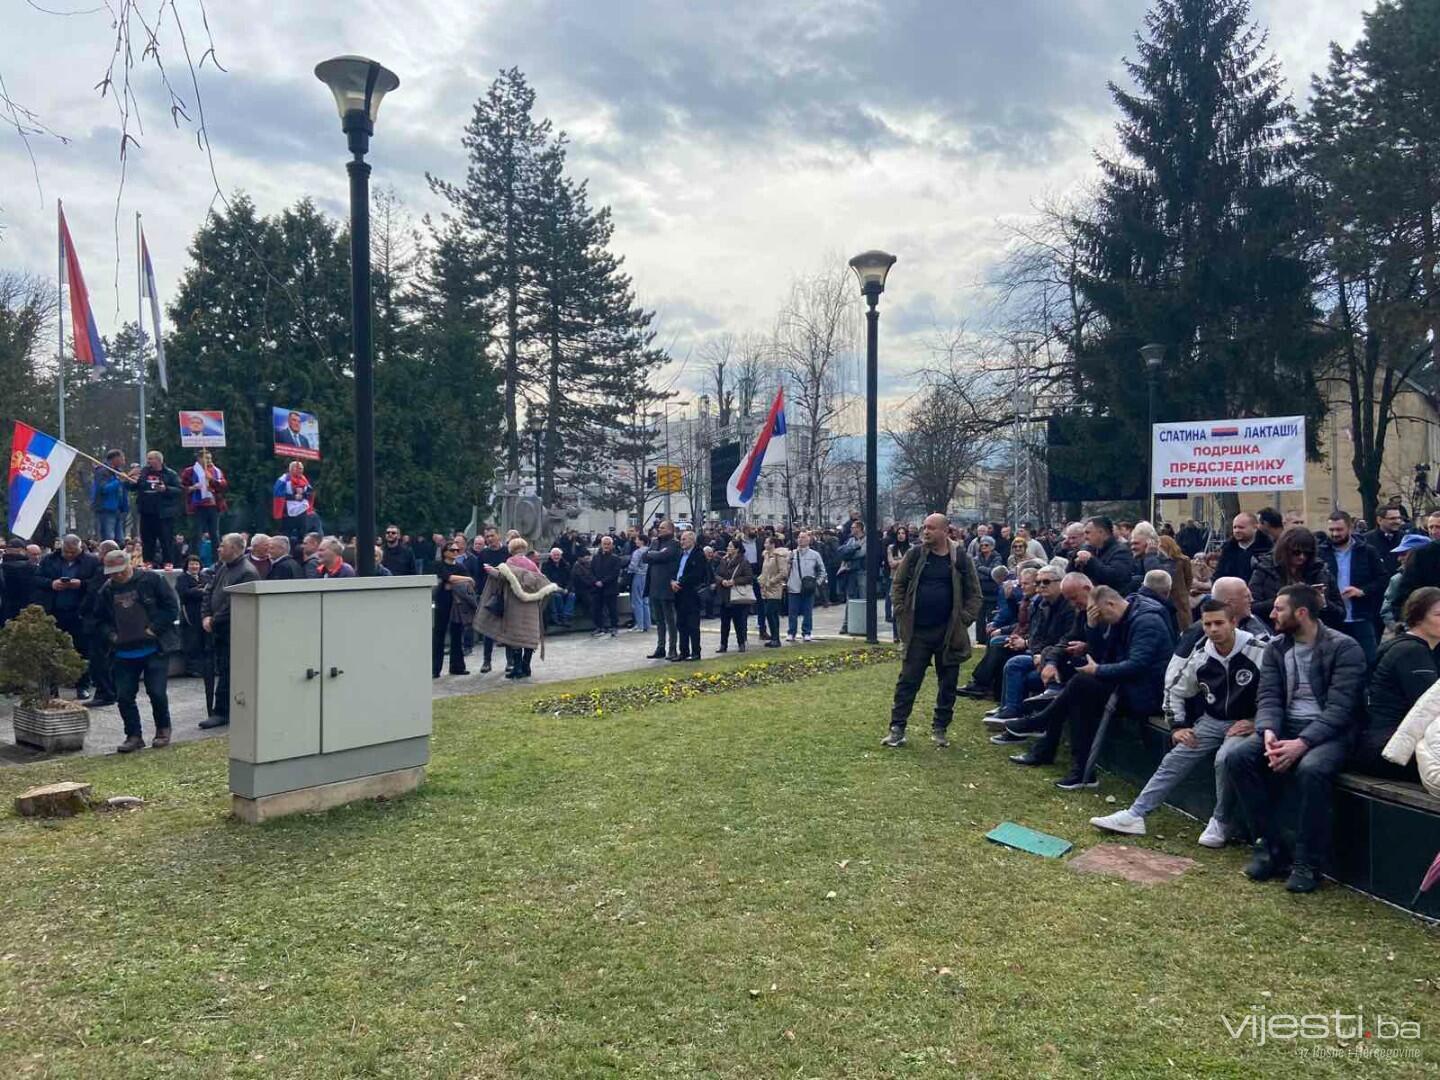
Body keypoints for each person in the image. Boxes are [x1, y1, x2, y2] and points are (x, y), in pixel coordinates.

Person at [1221, 584, 1367, 893]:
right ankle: (1269, 847)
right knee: (1238, 758)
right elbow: (1269, 696)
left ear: (1301, 613)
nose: (1271, 613)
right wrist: (1268, 731)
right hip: (1285, 727)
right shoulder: (1276, 647)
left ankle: (1308, 862)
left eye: (1279, 609)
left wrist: (1302, 744)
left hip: (1332, 733)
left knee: (1311, 769)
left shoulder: (1344, 648)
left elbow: (1341, 710)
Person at [1089, 599, 1268, 840]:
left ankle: (1221, 821)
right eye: (1207, 624)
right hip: (1212, 720)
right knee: (1176, 757)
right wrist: (1178, 726)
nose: (1213, 629)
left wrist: (1258, 720)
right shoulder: (1201, 653)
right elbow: (1175, 689)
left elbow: (1280, 691)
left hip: (1247, 722)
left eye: (1219, 623)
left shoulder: (1259, 650)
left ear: (1233, 622)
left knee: (1224, 759)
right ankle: (1135, 814)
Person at [1008, 585, 1177, 789]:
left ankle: (1042, 722)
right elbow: (1103, 654)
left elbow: (1137, 665)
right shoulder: (1124, 616)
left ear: (1110, 604)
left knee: (1081, 684)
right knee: (1080, 696)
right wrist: (1091, 626)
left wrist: (1097, 671)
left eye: (1098, 614)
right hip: (1126, 685)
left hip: (1146, 692)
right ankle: (1081, 771)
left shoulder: (1146, 621)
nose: (1100, 619)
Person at [883, 513, 982, 748]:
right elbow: (898, 584)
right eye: (924, 527)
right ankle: (897, 728)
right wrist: (900, 609)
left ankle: (940, 728)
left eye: (931, 528)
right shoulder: (915, 554)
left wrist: (964, 619)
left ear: (945, 531)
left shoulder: (960, 559)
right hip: (918, 632)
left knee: (948, 683)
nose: (925, 531)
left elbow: (974, 594)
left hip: (949, 633)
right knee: (908, 680)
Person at [92, 549, 181, 753]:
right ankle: (133, 735)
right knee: (124, 696)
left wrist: (154, 628)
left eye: (120, 571)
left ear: (129, 565)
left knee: (157, 692)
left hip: (154, 648)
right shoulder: (106, 591)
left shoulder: (151, 580)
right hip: (123, 652)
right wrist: (111, 635)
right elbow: (98, 620)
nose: (117, 576)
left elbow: (171, 607)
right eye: (112, 573)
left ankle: (162, 729)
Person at [1351, 587, 1440, 783]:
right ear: (1418, 618)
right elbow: (1431, 710)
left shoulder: (1403, 645)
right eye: (1438, 614)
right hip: (1389, 750)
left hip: (1375, 745)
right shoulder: (1411, 652)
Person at [475, 538, 560, 680]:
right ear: (524, 548)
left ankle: (518, 668)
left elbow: (503, 577)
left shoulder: (510, 562)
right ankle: (527, 667)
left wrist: (491, 570)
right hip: (531, 605)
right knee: (528, 637)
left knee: (515, 637)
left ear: (511, 548)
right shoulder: (532, 564)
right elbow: (541, 581)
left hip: (515, 605)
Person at [200, 533, 260, 729]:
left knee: (228, 671)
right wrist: (206, 615)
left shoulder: (247, 572)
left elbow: (234, 603)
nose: (219, 549)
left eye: (223, 546)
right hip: (218, 630)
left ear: (235, 548)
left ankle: (223, 711)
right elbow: (208, 590)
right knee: (222, 669)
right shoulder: (223, 568)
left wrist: (214, 620)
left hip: (234, 632)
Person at [1320, 510, 1388, 666]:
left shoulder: (1367, 551)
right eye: (1331, 530)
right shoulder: (1322, 553)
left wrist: (1362, 591)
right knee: (1334, 662)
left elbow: (1383, 579)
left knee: (1369, 661)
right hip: (1332, 618)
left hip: (1361, 616)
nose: (1335, 534)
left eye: (1339, 529)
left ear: (1350, 528)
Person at [37, 534, 102, 700]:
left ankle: (82, 685)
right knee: (52, 650)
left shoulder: (91, 561)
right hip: (55, 611)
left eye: (73, 552)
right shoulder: (49, 560)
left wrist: (82, 584)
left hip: (79, 612)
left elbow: (99, 582)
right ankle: (52, 688)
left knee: (82, 650)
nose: (69, 555)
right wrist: (51, 584)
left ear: (80, 548)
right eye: (67, 552)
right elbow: (36, 578)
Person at [1248, 526, 1342, 628]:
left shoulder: (1320, 571)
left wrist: (1323, 603)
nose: (1302, 557)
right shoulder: (1264, 569)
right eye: (1296, 552)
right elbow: (1251, 607)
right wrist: (1285, 600)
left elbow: (1340, 613)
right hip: (1275, 632)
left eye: (1307, 553)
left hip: (1313, 634)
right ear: (1285, 550)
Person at [125, 450, 182, 567]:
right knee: (147, 539)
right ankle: (147, 561)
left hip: (164, 513)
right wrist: (128, 478)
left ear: (159, 460)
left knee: (166, 539)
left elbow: (179, 490)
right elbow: (132, 487)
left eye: (151, 459)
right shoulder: (143, 473)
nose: (148, 461)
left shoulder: (170, 474)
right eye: (148, 459)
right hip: (147, 511)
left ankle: (168, 562)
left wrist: (166, 489)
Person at [432, 540, 474, 677]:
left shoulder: (461, 566)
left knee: (457, 634)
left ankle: (457, 667)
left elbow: (470, 581)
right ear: (445, 552)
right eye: (452, 550)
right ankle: (435, 669)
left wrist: (453, 582)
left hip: (458, 604)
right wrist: (462, 580)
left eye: (457, 550)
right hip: (443, 602)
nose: (455, 552)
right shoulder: (439, 565)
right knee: (439, 634)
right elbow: (447, 577)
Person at [644, 521, 682, 660]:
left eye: (663, 528)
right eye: (659, 528)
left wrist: (654, 555)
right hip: (654, 586)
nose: (659, 530)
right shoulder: (655, 542)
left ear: (671, 530)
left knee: (670, 620)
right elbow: (645, 557)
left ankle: (672, 649)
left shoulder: (674, 543)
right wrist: (655, 554)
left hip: (667, 587)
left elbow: (664, 556)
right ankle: (660, 648)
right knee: (659, 620)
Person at [671, 530, 710, 661]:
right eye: (681, 539)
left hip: (691, 593)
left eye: (684, 539)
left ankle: (695, 652)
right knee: (681, 624)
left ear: (692, 541)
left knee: (692, 624)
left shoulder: (698, 555)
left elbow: (696, 575)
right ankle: (683, 651)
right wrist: (672, 581)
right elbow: (675, 571)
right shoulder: (680, 555)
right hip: (679, 593)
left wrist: (680, 582)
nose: (682, 542)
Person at [1068, 516, 1134, 592]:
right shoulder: (1089, 549)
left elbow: (1113, 577)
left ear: (1101, 532)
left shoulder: (1122, 551)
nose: (1085, 537)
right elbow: (1070, 574)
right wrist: (1075, 558)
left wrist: (1090, 560)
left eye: (1088, 533)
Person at [785, 530, 828, 642]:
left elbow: (822, 571)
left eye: (803, 537)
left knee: (807, 611)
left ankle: (807, 632)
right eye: (799, 537)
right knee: (792, 612)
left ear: (809, 539)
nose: (800, 539)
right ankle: (791, 632)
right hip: (794, 586)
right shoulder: (792, 554)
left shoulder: (815, 555)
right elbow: (785, 571)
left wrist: (817, 583)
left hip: (808, 588)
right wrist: (788, 563)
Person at [180, 450, 227, 549]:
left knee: (214, 534)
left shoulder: (216, 471)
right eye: (206, 458)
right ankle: (194, 559)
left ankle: (217, 559)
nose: (209, 460)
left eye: (210, 458)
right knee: (196, 534)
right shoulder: (190, 471)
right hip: (198, 506)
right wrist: (192, 488)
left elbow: (223, 485)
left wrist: (212, 480)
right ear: (199, 459)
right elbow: (182, 487)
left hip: (214, 505)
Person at [715, 537, 754, 653]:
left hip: (737, 596)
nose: (728, 548)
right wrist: (722, 581)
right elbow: (717, 574)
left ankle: (741, 643)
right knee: (724, 623)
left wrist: (734, 581)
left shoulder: (743, 562)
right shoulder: (724, 560)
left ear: (737, 549)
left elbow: (749, 577)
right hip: (725, 595)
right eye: (728, 546)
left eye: (731, 547)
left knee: (739, 622)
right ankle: (723, 644)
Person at [1214, 513, 1273, 586]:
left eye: (1241, 527)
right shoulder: (1228, 549)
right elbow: (1219, 575)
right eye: (1234, 527)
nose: (1237, 531)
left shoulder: (1268, 548)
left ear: (1255, 528)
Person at [175, 553, 209, 678]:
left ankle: (204, 667)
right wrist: (199, 590)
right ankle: (192, 668)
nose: (194, 566)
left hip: (203, 613)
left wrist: (198, 590)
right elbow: (184, 593)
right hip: (189, 614)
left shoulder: (204, 577)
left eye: (196, 564)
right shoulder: (182, 578)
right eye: (192, 564)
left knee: (203, 641)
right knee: (192, 641)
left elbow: (208, 591)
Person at [758, 534, 791, 649]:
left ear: (772, 544)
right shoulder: (766, 555)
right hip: (765, 588)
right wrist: (761, 579)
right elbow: (765, 570)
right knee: (770, 614)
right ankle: (774, 638)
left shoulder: (779, 556)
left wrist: (772, 581)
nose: (764, 545)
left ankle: (776, 638)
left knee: (770, 612)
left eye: (767, 542)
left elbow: (783, 572)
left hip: (775, 588)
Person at [272, 461, 315, 548]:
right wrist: (294, 496)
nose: (300, 470)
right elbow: (278, 495)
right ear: (290, 469)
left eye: (301, 468)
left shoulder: (304, 479)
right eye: (297, 468)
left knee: (302, 533)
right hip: (288, 512)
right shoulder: (283, 479)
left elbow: (310, 493)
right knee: (286, 534)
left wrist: (303, 495)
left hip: (302, 511)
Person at [92, 450, 130, 545]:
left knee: (120, 540)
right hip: (106, 509)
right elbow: (104, 489)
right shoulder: (102, 471)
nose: (124, 461)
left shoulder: (118, 472)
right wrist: (119, 481)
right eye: (122, 458)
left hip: (118, 510)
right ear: (115, 459)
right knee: (109, 539)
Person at [835, 520, 867, 633]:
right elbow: (842, 553)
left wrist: (850, 553)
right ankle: (846, 624)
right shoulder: (850, 540)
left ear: (859, 528)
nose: (851, 529)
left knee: (864, 597)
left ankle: (865, 624)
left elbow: (862, 553)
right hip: (850, 572)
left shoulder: (866, 540)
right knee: (850, 598)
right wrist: (853, 550)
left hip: (862, 571)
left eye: (853, 527)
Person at [589, 535, 624, 637]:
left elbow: (615, 573)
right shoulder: (595, 557)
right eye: (605, 544)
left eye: (608, 544)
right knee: (597, 608)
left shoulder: (616, 558)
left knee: (612, 608)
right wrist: (595, 581)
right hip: (597, 588)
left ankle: (614, 627)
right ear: (601, 545)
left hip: (610, 587)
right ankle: (599, 627)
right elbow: (591, 571)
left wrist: (603, 582)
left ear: (612, 545)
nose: (606, 546)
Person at [1157, 534, 1194, 630]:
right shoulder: (1159, 561)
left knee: (1184, 626)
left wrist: (1185, 592)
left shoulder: (1183, 560)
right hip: (1168, 597)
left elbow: (1188, 579)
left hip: (1180, 598)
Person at [1, 537, 38, 629]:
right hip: (28, 612)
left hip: (5, 611)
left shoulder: (2, 568)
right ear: (23, 551)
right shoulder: (32, 568)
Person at [1365, 504, 1411, 577]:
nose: (1397, 521)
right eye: (1392, 518)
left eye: (1399, 518)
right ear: (1379, 520)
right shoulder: (1366, 540)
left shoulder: (1406, 538)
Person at [542, 547, 574, 628]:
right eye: (554, 555)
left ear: (561, 556)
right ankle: (560, 618)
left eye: (558, 555)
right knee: (557, 596)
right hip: (553, 589)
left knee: (572, 595)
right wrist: (557, 588)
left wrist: (567, 588)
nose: (556, 557)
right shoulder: (546, 565)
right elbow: (546, 580)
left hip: (565, 589)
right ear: (551, 556)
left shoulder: (566, 565)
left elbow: (570, 579)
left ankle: (566, 616)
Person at [626, 536, 651, 633]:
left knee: (637, 601)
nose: (635, 541)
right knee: (645, 601)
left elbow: (633, 566)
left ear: (641, 541)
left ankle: (639, 625)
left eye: (637, 539)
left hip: (638, 575)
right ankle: (647, 624)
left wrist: (628, 571)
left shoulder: (637, 552)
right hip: (647, 576)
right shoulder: (649, 550)